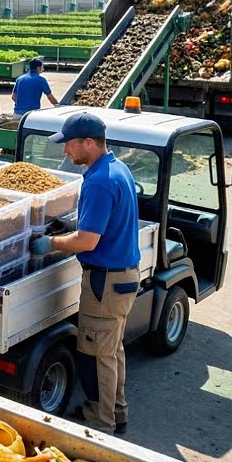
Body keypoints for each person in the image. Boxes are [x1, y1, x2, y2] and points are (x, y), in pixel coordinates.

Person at [31, 112, 140, 435]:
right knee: (112, 349)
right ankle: (115, 411)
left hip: (104, 282)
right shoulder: (117, 169)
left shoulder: (98, 182)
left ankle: (101, 425)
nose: (66, 151)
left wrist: (50, 242)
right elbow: (99, 226)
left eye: (70, 145)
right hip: (123, 276)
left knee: (96, 354)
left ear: (88, 143)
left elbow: (87, 241)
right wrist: (74, 225)